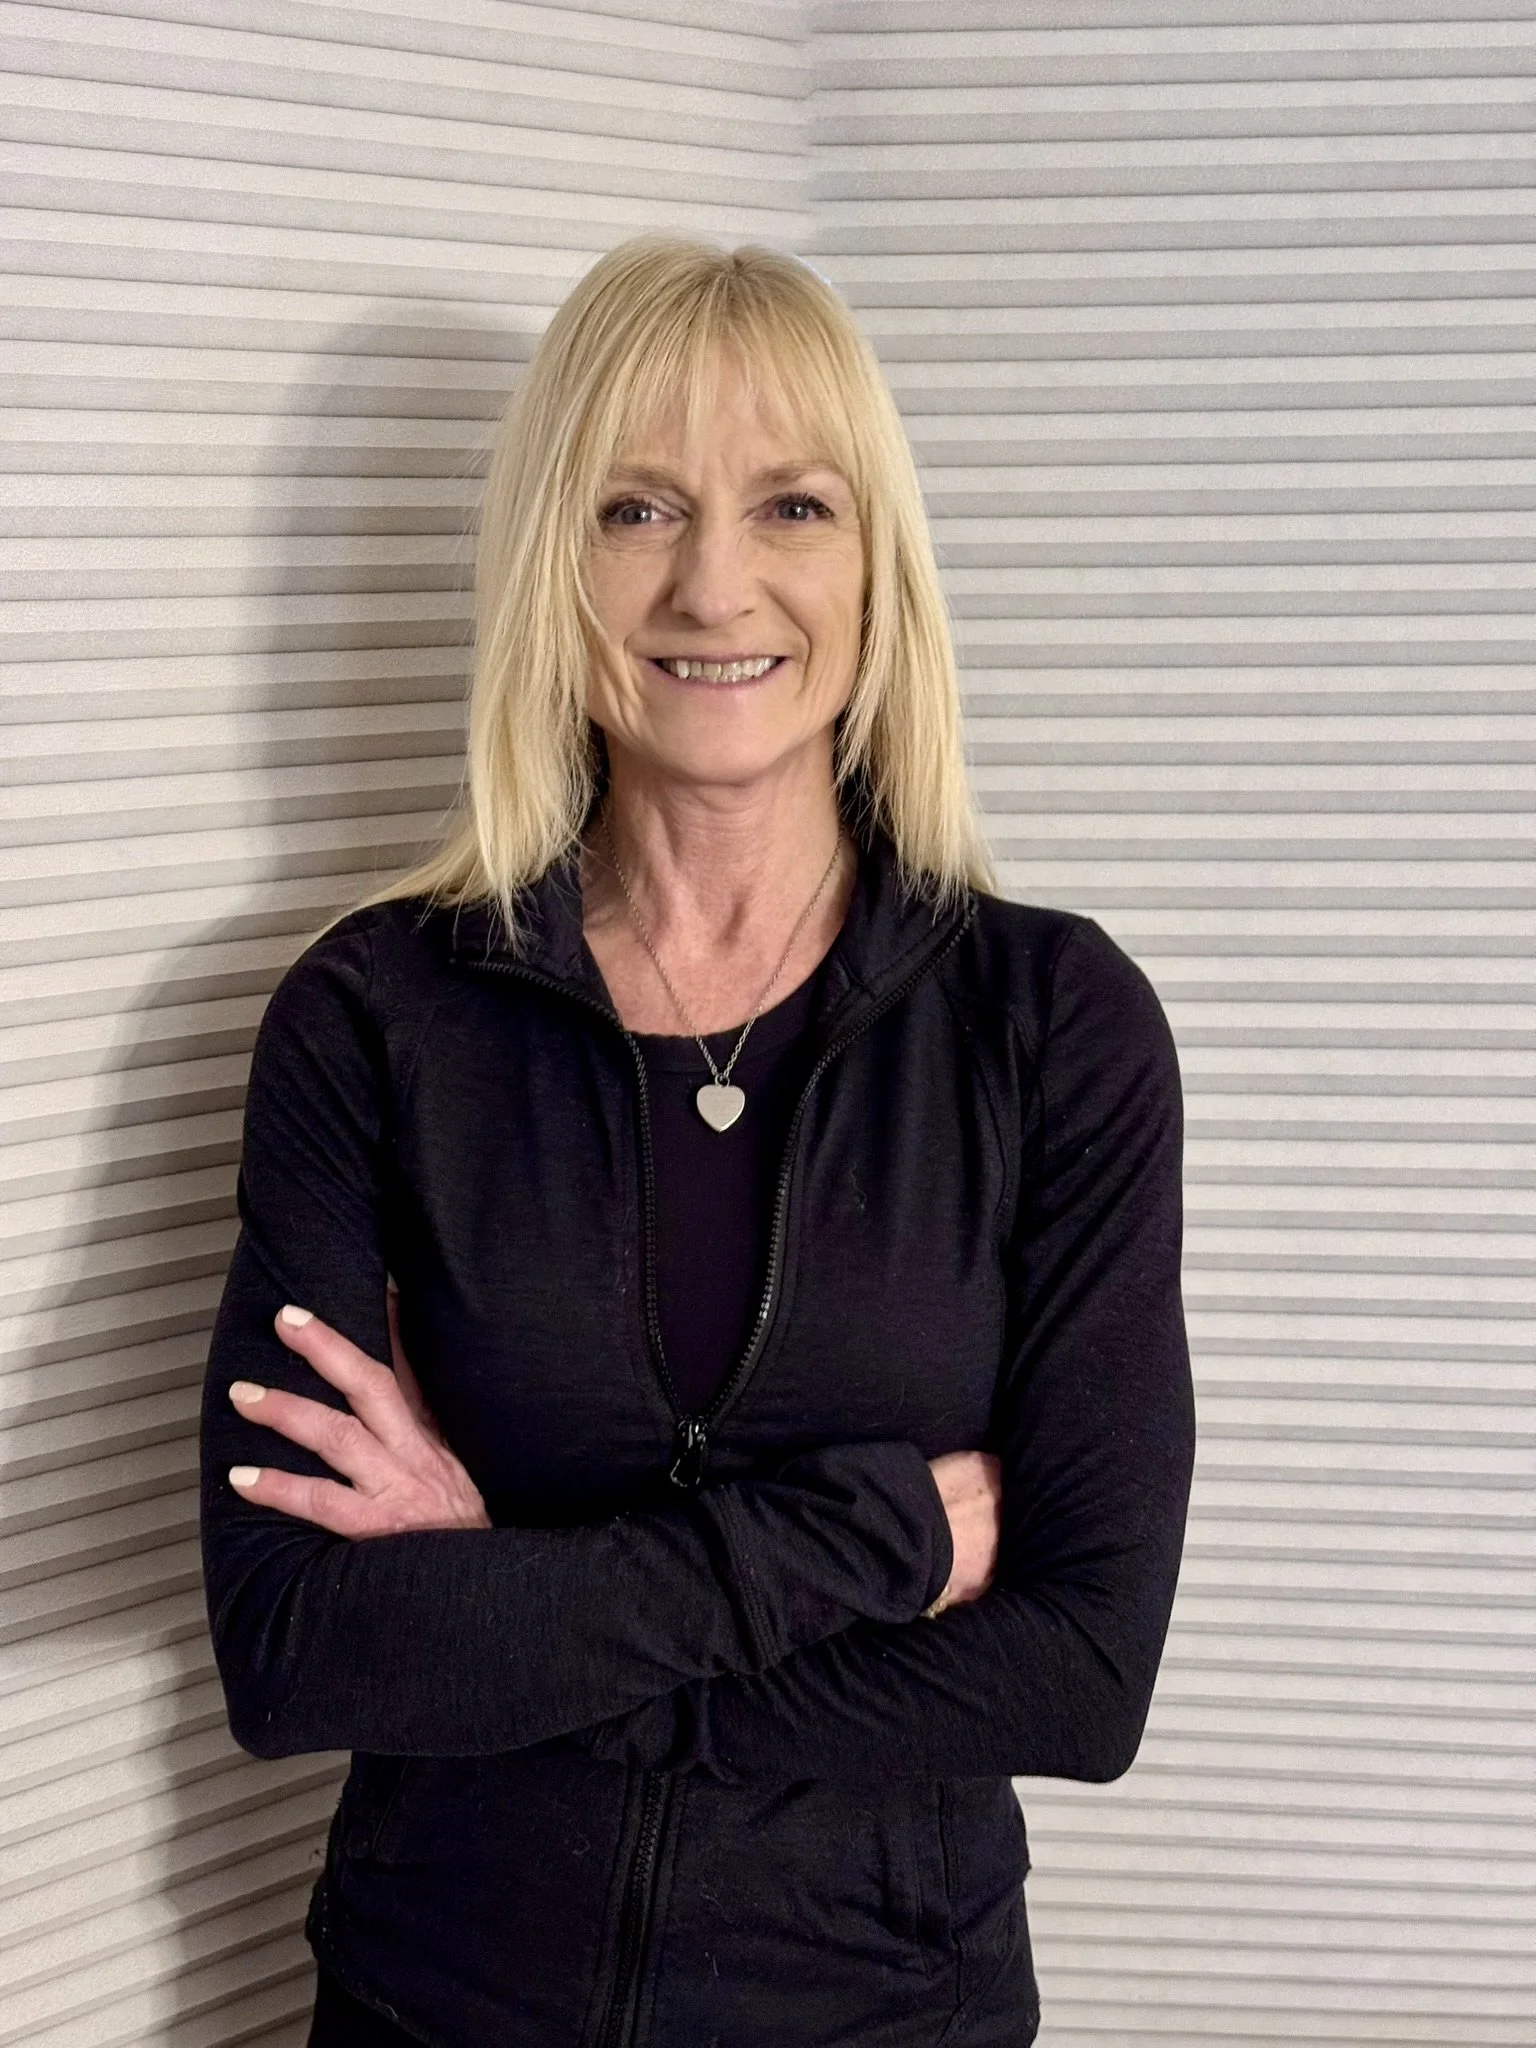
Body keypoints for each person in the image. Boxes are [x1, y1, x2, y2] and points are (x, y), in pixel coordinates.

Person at [198, 235, 1196, 2048]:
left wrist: (510, 1605)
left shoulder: (1051, 1026)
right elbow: (297, 1650)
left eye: (792, 506)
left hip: (887, 2014)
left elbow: (1080, 1674)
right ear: (549, 561)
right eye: (635, 509)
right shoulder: (376, 1017)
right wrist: (876, 1535)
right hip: (437, 2006)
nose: (713, 583)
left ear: (877, 563)